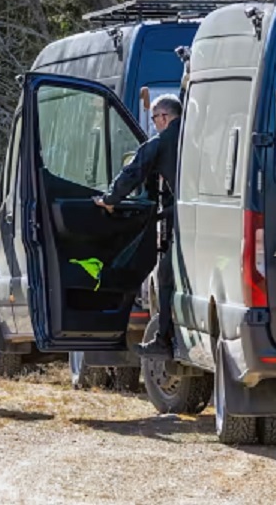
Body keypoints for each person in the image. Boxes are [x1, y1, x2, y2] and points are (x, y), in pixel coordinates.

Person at [95, 94, 182, 358]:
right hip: (202, 217)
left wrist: (110, 200)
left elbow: (133, 171)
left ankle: (163, 340)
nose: (154, 124)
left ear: (165, 117)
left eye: (155, 118)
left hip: (183, 222)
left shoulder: (161, 142)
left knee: (166, 275)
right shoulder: (196, 135)